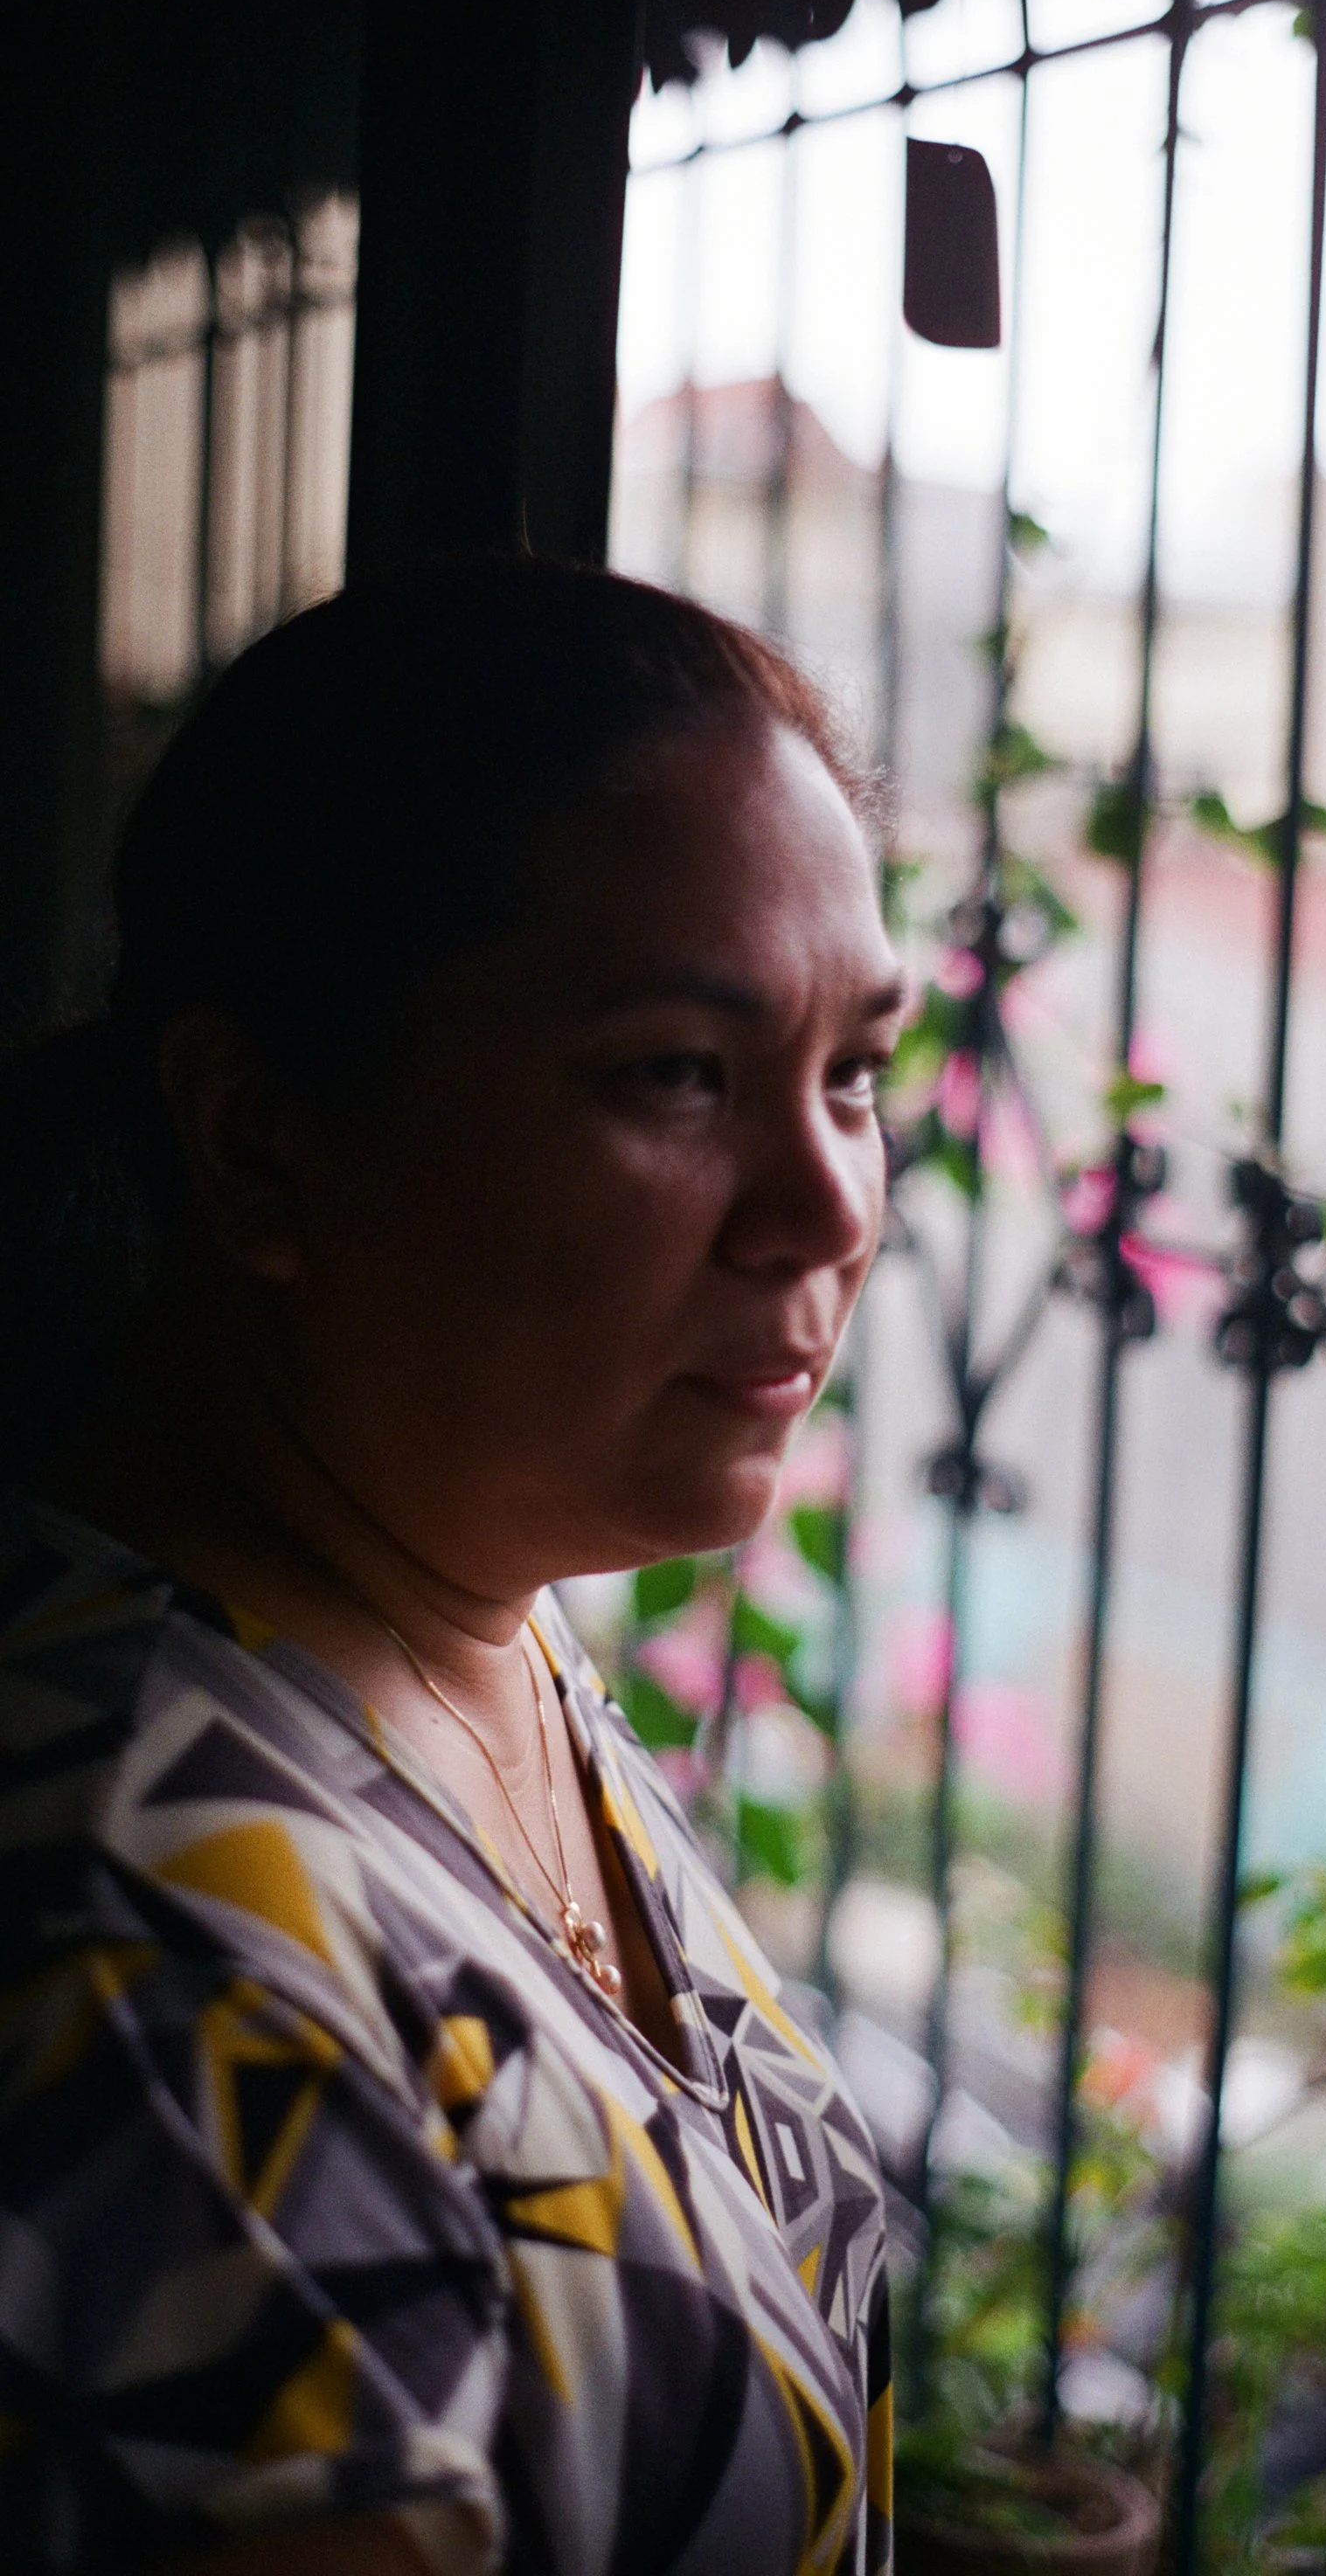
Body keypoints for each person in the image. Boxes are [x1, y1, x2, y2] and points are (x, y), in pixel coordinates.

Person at [0, 557, 907, 2576]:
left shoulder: (459, 1617)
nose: (828, 1202)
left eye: (852, 1069)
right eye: (677, 1072)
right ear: (258, 1141)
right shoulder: (153, 1991)